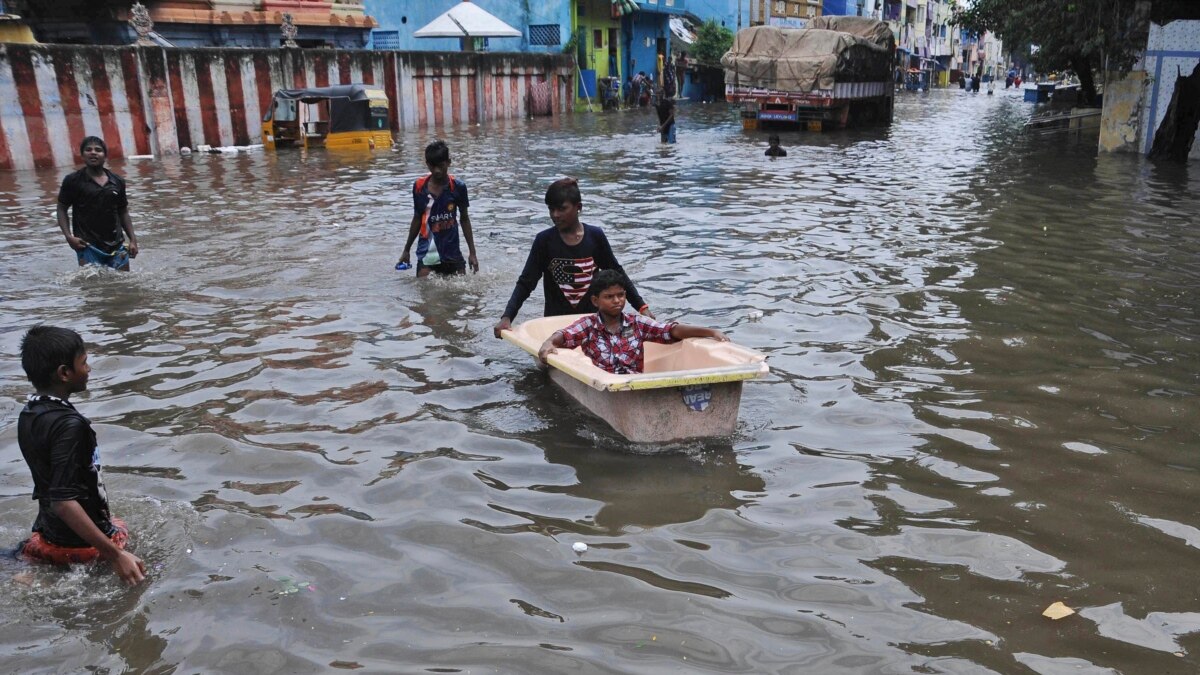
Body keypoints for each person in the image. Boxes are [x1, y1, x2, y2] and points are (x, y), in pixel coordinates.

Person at [16, 325, 146, 585]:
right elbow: (63, 501)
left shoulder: (29, 414)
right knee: (143, 579)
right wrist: (116, 555)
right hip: (78, 545)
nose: (89, 369)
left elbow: (50, 488)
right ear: (64, 373)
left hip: (48, 533)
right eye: (84, 363)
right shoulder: (71, 425)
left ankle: (34, 574)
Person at [493, 178, 653, 338]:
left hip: (591, 324)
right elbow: (526, 282)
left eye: (562, 209)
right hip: (555, 324)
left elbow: (617, 274)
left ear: (578, 207)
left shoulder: (595, 237)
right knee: (544, 363)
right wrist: (507, 316)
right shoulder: (544, 241)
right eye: (551, 209)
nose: (555, 215)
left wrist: (642, 307)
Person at [537, 269, 728, 375]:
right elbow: (564, 335)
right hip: (606, 385)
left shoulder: (637, 323)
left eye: (620, 295)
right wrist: (548, 343)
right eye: (609, 296)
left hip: (636, 385)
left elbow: (670, 330)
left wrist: (710, 332)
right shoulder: (589, 326)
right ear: (595, 301)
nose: (617, 300)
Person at [397, 140, 478, 277]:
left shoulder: (458, 187)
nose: (437, 171)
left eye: (441, 166)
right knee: (426, 292)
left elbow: (464, 219)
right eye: (433, 166)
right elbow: (417, 218)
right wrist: (406, 250)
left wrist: (472, 253)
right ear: (428, 164)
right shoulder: (419, 187)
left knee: (461, 294)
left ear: (448, 162)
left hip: (452, 252)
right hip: (427, 252)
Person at [56, 136, 139, 271]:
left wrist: (133, 240)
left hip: (116, 245)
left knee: (125, 286)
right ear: (82, 155)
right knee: (93, 288)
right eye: (88, 150)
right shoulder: (73, 181)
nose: (93, 152)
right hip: (87, 245)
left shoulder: (117, 181)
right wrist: (69, 237)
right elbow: (61, 209)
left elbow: (123, 212)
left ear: (105, 155)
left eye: (98, 150)